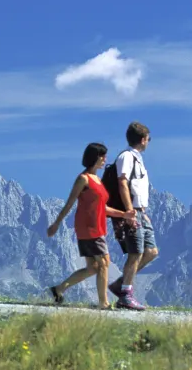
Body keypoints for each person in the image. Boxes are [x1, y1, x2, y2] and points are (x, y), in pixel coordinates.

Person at [47, 142, 136, 310]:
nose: (105, 159)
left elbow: (103, 207)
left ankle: (58, 289)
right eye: (102, 156)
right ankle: (104, 303)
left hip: (98, 226)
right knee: (104, 262)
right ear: (95, 157)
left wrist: (124, 214)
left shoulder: (98, 180)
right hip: (88, 227)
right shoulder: (83, 179)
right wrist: (56, 224)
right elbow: (70, 203)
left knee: (93, 267)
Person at [108, 121, 157, 311]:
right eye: (148, 139)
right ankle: (125, 297)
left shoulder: (137, 158)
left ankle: (120, 284)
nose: (148, 142)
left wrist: (142, 212)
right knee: (135, 252)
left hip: (140, 212)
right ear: (143, 139)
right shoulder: (126, 157)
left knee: (151, 252)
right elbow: (122, 182)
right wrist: (129, 212)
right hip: (131, 212)